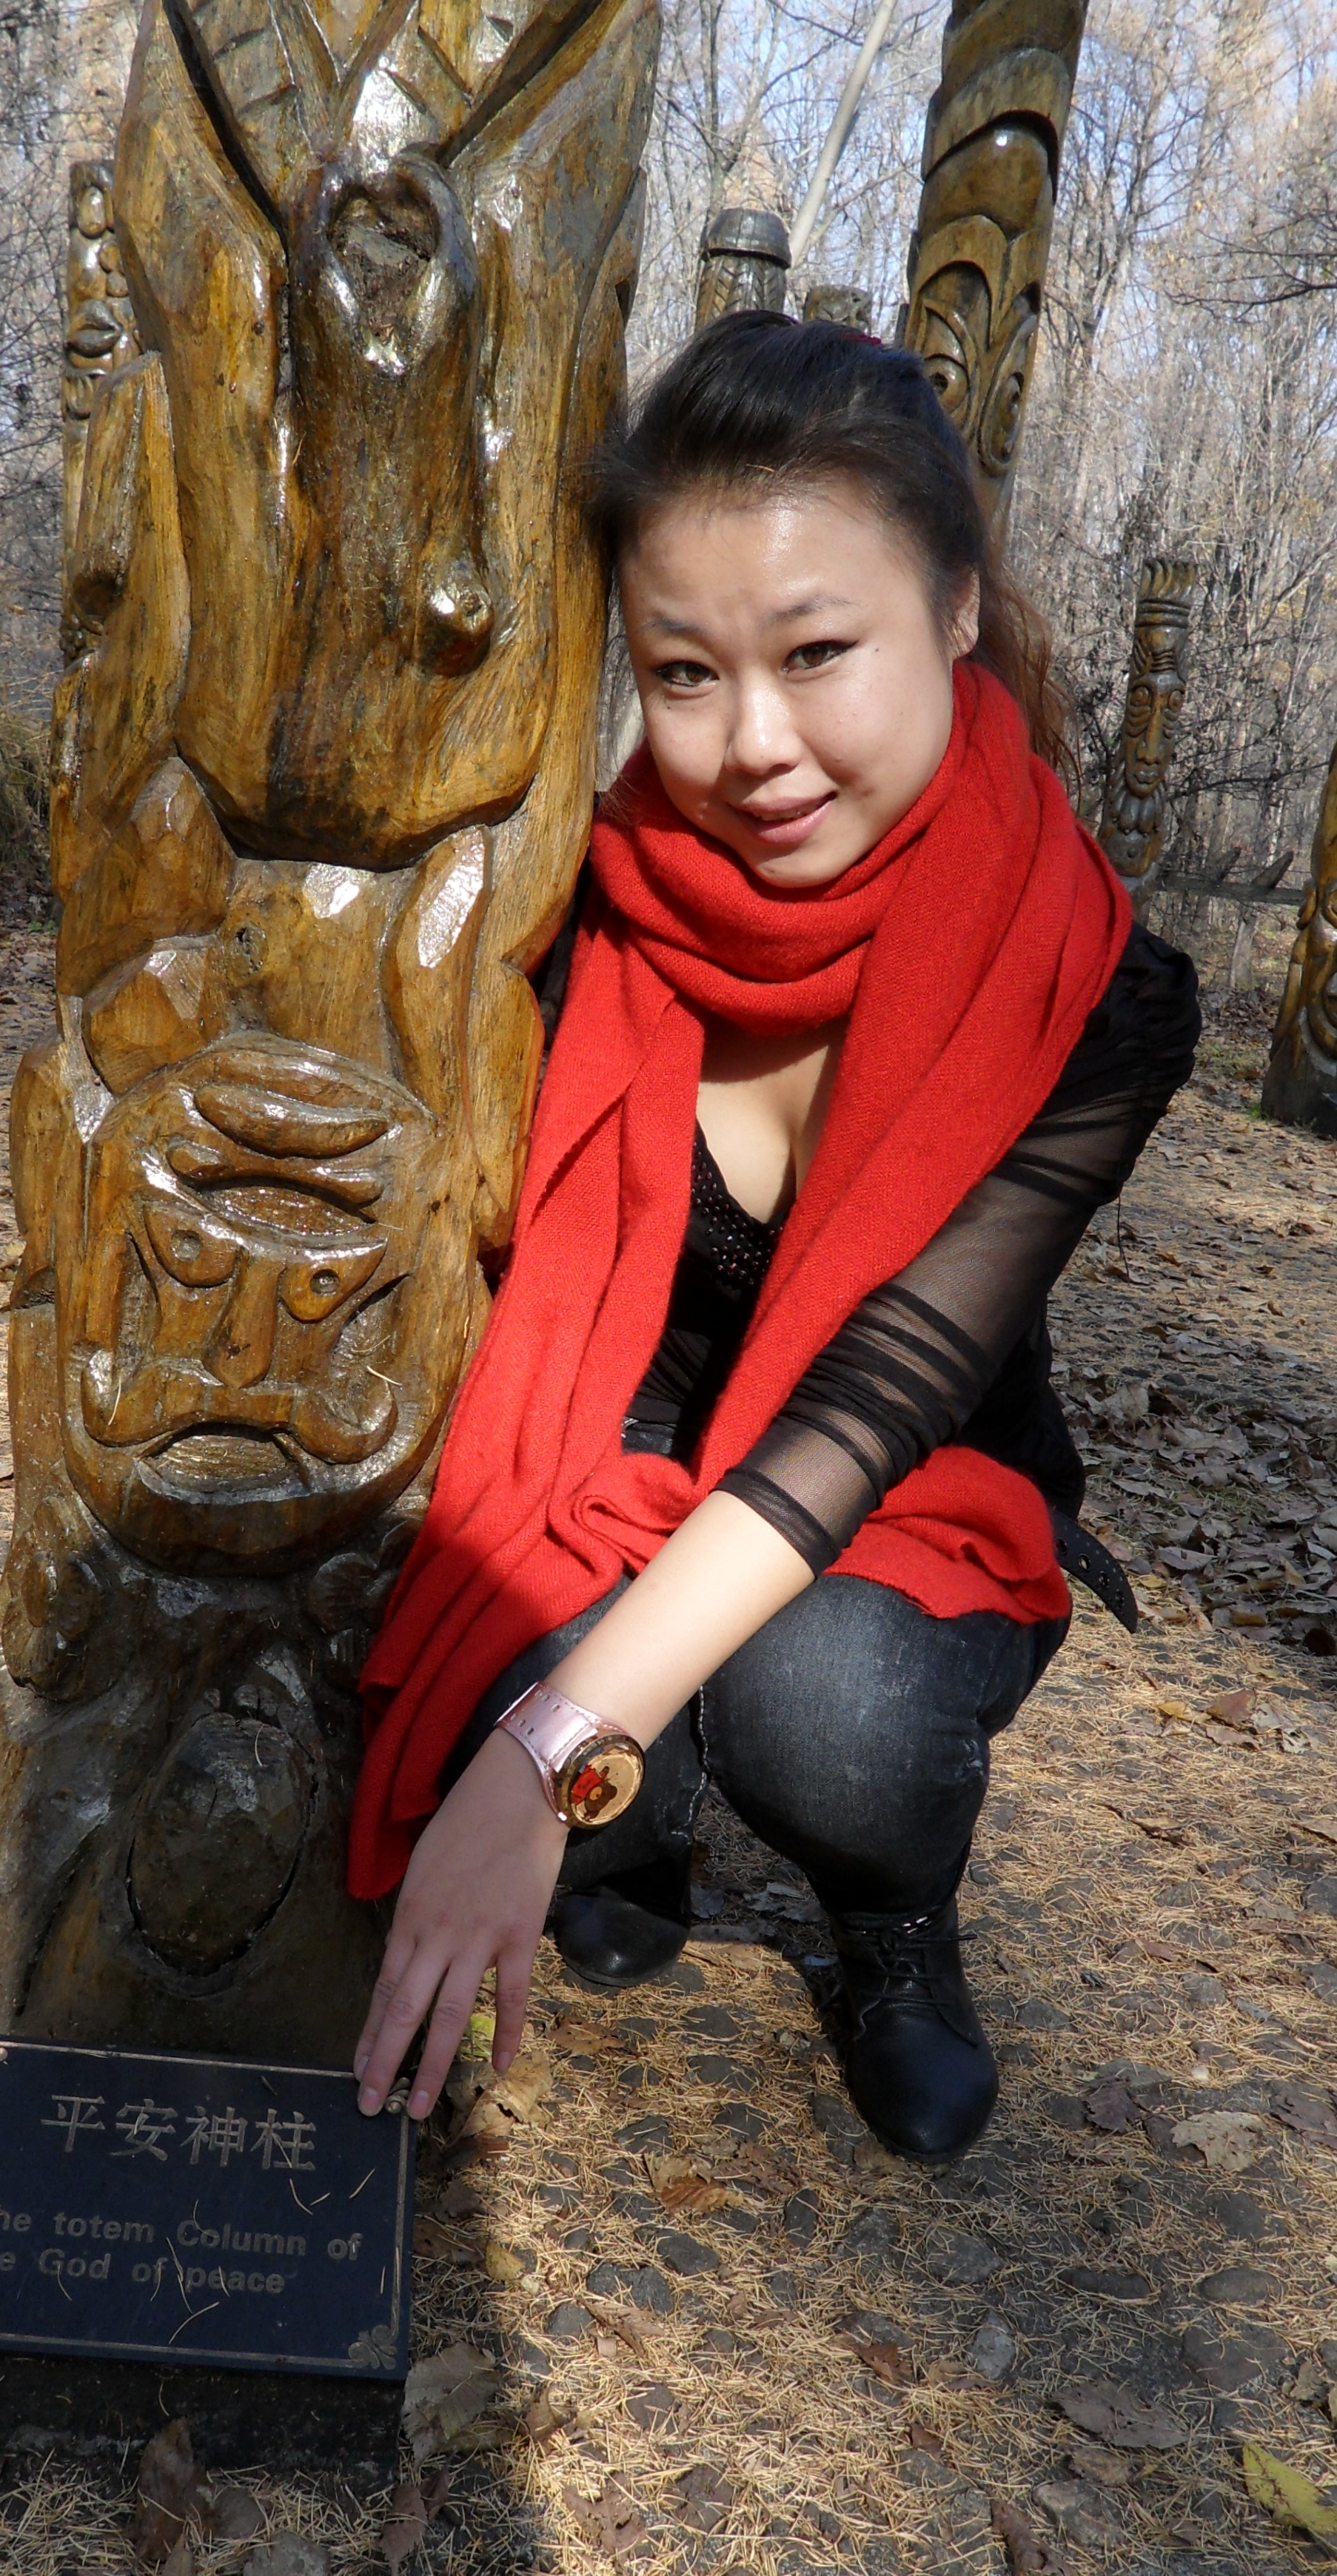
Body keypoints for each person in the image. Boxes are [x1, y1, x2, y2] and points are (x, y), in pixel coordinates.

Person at [346, 312, 1199, 2163]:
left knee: (823, 1706)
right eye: (683, 672)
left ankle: (892, 1916)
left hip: (905, 1484)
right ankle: (640, 1824)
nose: (752, 746)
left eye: (818, 654)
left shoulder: (1098, 987)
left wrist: (540, 1757)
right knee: (511, 1626)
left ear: (956, 609)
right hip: (618, 1451)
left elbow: (876, 1398)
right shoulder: (568, 902)